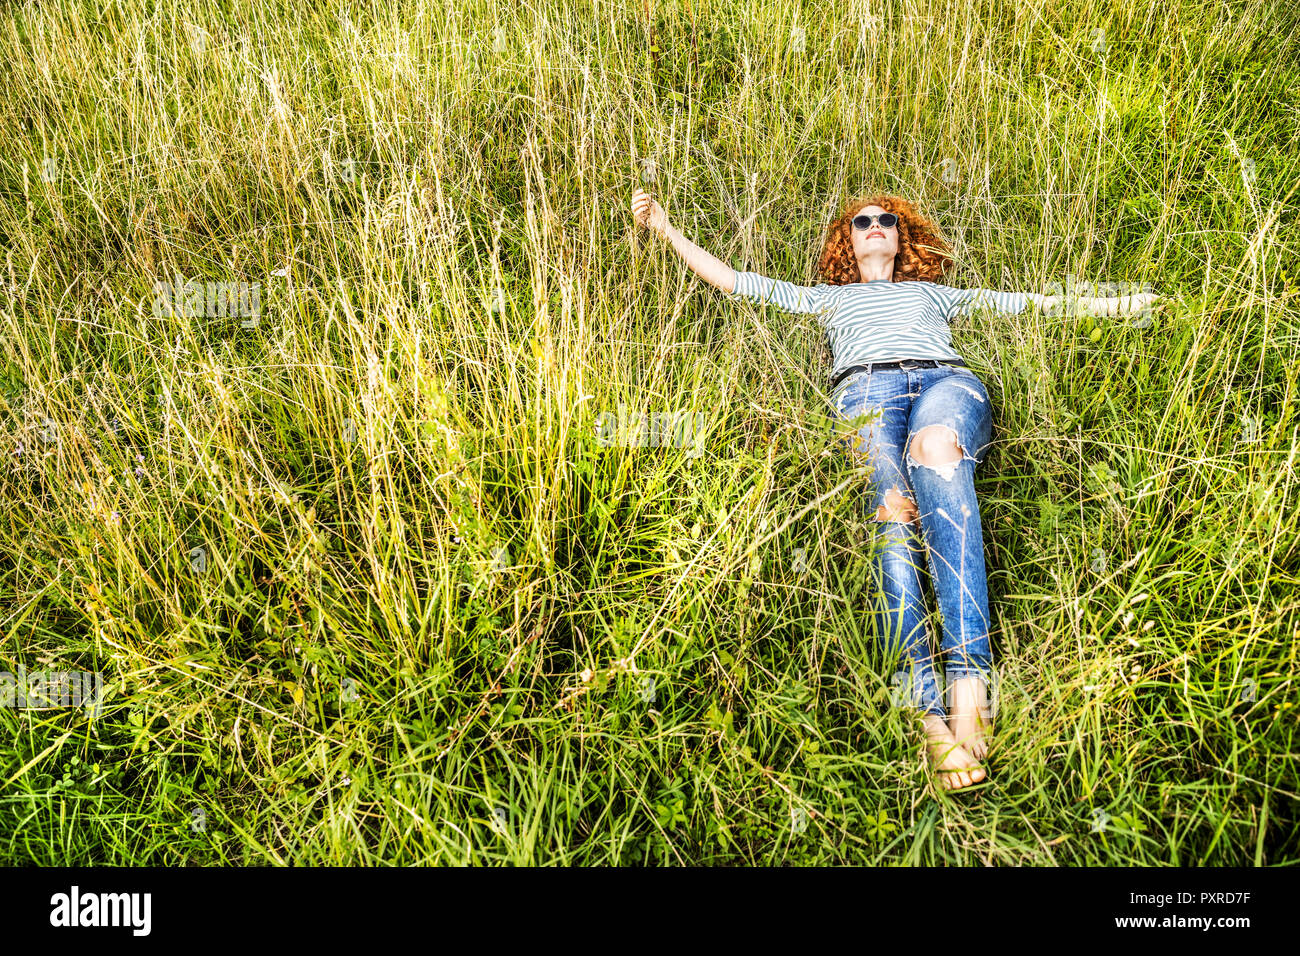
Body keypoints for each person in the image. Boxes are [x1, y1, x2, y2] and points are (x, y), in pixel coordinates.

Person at [631, 187, 1163, 792]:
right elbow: (735, 281)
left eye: (887, 220)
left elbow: (1031, 304)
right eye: (863, 222)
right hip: (864, 395)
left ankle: (969, 685)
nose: (876, 226)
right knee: (893, 512)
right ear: (848, 240)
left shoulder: (932, 293)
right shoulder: (828, 301)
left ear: (901, 236)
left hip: (946, 384)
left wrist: (1124, 306)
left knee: (937, 452)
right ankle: (924, 712)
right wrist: (666, 230)